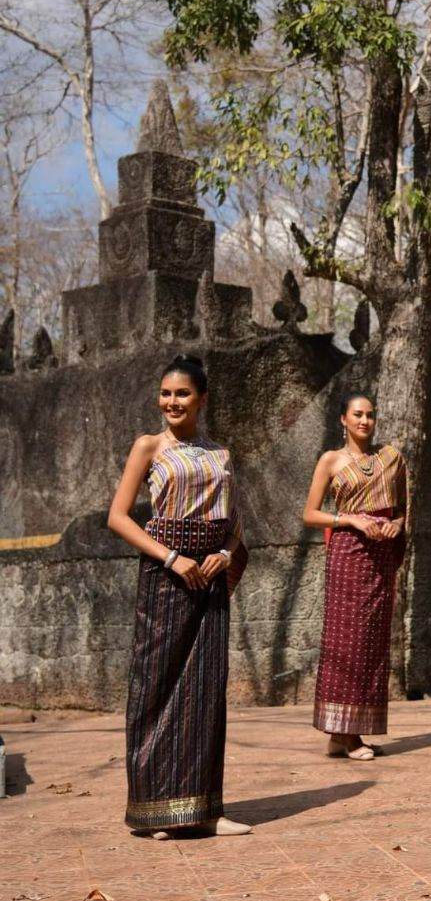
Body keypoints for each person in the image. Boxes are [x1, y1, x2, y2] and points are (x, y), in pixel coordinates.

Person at [108, 353, 250, 837]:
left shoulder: (221, 456)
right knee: (156, 687)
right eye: (166, 393)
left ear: (202, 399)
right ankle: (153, 809)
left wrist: (226, 556)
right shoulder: (148, 447)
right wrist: (171, 558)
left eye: (183, 393)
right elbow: (120, 517)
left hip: (209, 579)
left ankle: (206, 809)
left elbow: (234, 527)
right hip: (166, 577)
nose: (172, 401)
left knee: (206, 692)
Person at [303, 393, 407, 760]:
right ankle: (346, 735)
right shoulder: (330, 460)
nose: (365, 421)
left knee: (371, 644)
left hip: (381, 556)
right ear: (343, 420)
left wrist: (395, 526)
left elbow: (402, 512)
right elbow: (311, 515)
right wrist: (349, 519)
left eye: (370, 415)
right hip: (348, 553)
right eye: (357, 415)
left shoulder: (391, 459)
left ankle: (344, 734)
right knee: (345, 641)